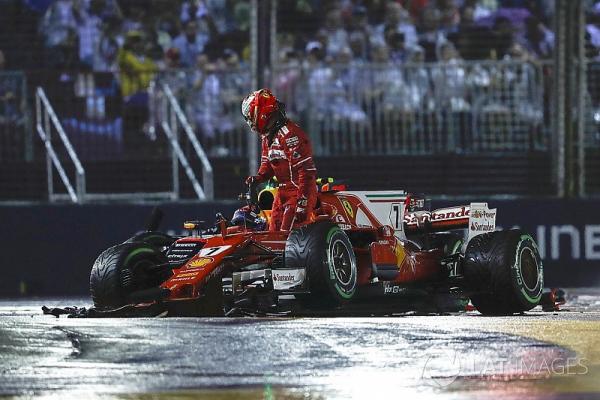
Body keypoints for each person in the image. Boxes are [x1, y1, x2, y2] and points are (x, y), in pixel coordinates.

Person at [242, 89, 317, 231]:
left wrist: (303, 203)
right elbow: (267, 165)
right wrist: (258, 178)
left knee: (286, 237)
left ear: (260, 112)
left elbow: (306, 172)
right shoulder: (267, 136)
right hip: (281, 194)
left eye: (250, 117)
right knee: (272, 236)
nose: (250, 122)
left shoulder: (290, 134)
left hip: (298, 192)